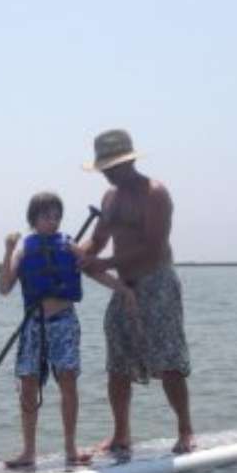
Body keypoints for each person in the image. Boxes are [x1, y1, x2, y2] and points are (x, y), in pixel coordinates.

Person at [75, 129, 195, 455]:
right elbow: (98, 240)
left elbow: (153, 246)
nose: (108, 174)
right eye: (104, 169)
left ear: (129, 162)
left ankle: (185, 430)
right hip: (125, 287)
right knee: (118, 361)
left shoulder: (155, 194)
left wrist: (104, 262)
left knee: (168, 359)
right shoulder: (110, 199)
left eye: (113, 167)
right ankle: (121, 434)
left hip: (156, 280)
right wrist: (78, 253)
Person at [0, 191, 136, 469]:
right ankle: (28, 452)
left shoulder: (69, 245)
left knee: (68, 382)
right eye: (47, 216)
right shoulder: (23, 248)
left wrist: (122, 289)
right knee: (28, 386)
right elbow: (4, 288)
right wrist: (8, 250)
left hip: (63, 322)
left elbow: (93, 270)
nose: (54, 221)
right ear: (33, 219)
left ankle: (70, 449)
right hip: (33, 326)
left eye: (57, 216)